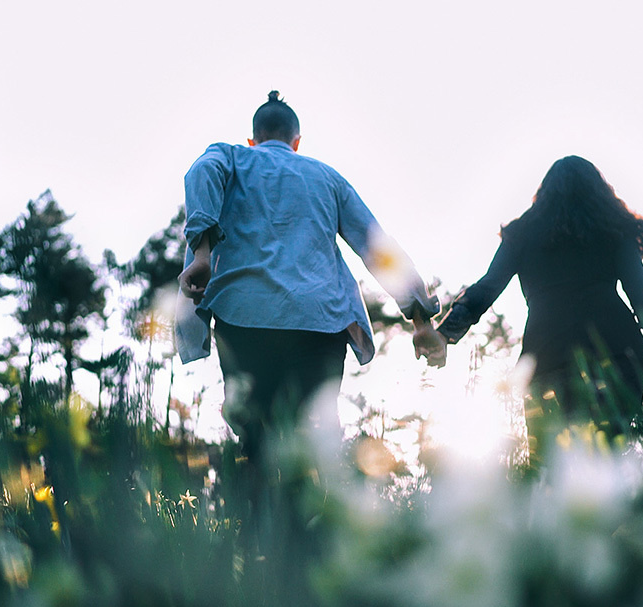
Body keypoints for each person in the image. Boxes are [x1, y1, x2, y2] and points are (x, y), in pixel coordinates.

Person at [175, 90, 446, 498]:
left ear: (254, 138)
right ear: (297, 142)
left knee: (255, 437)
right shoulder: (326, 177)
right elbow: (376, 246)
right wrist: (420, 319)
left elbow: (201, 172)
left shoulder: (232, 157)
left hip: (246, 318)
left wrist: (202, 251)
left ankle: (260, 538)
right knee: (314, 436)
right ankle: (313, 536)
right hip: (319, 322)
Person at [435, 155, 643, 458]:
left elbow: (488, 287)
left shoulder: (522, 233)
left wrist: (445, 333)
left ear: (544, 193)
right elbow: (642, 297)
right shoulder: (612, 229)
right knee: (608, 462)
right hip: (618, 357)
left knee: (553, 470)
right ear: (600, 192)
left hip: (547, 360)